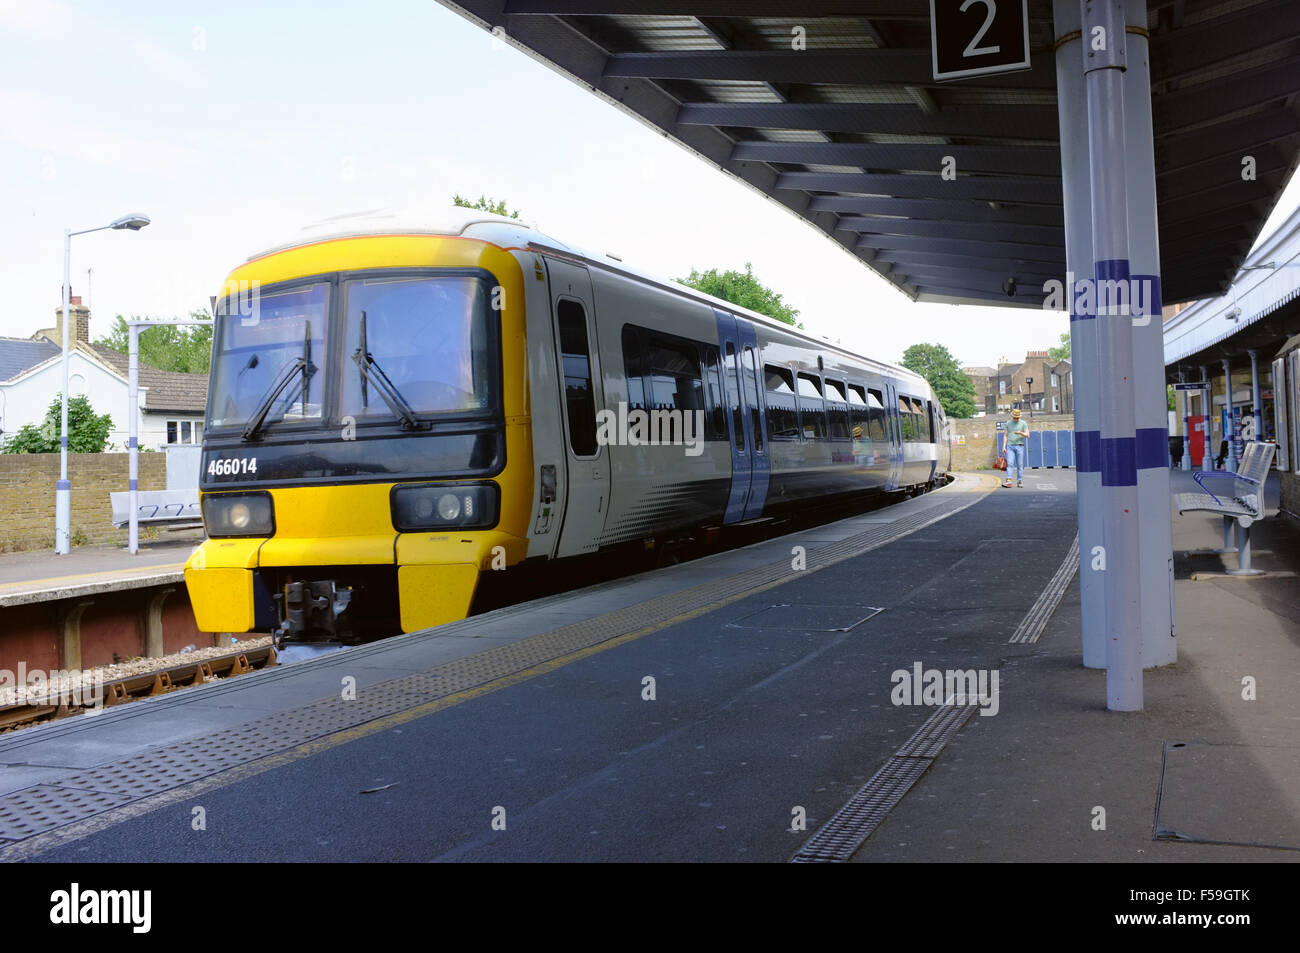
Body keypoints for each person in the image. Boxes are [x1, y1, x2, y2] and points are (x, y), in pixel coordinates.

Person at [1003, 408, 1029, 487]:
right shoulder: (1008, 423)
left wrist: (1020, 433)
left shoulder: (1023, 423)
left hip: (1019, 446)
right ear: (1012, 416)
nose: (1016, 419)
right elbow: (1005, 435)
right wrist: (1004, 446)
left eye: (1017, 417)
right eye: (1014, 417)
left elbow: (1027, 435)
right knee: (1010, 463)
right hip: (1010, 446)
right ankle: (1009, 481)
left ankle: (1019, 481)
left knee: (1020, 465)